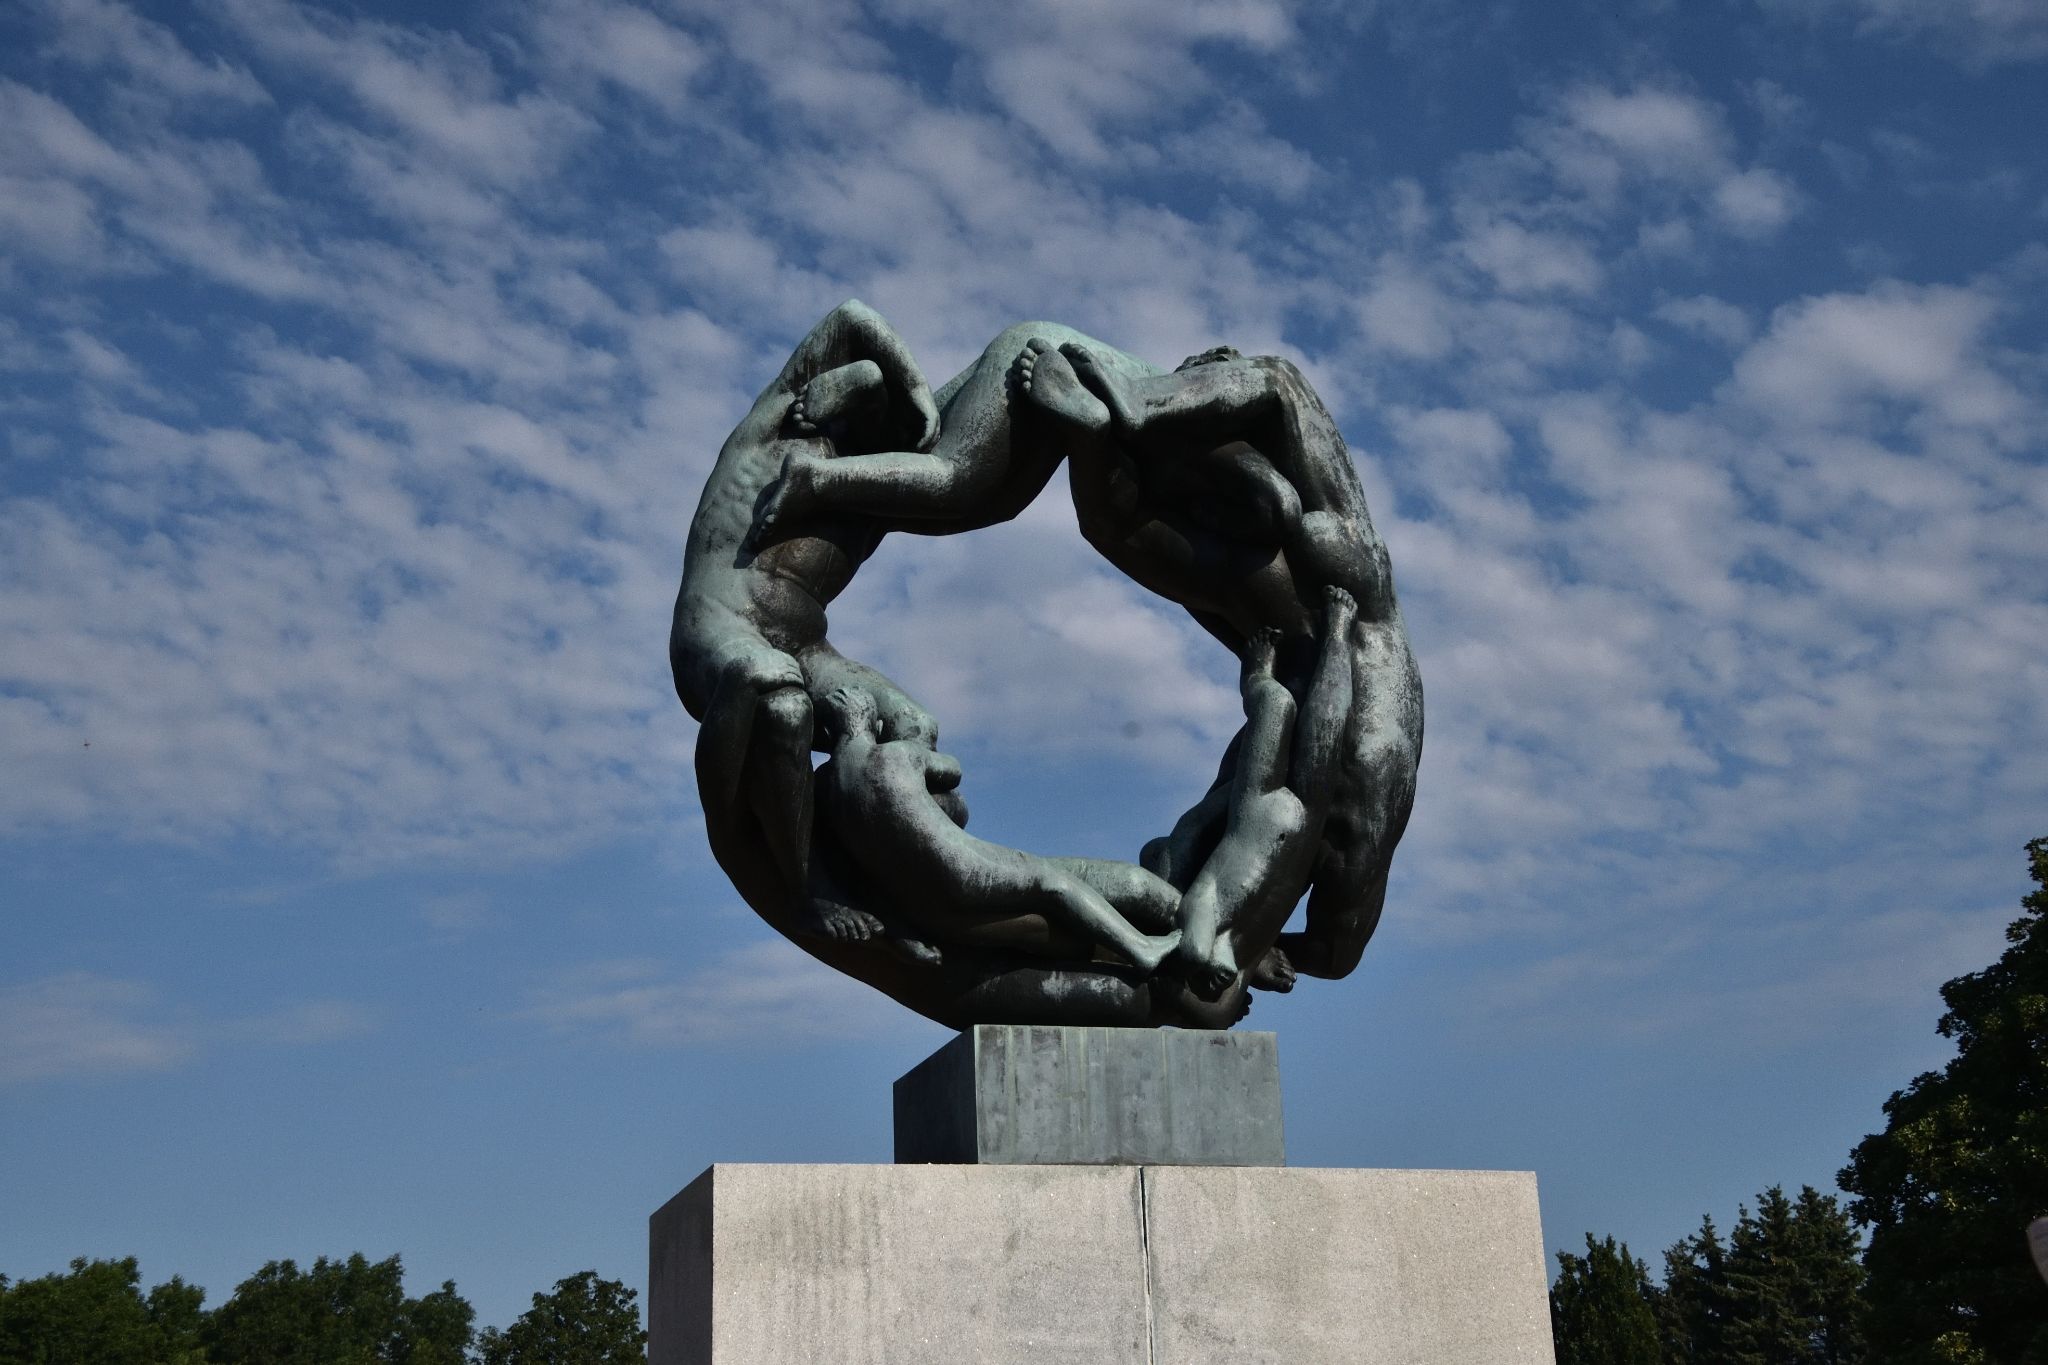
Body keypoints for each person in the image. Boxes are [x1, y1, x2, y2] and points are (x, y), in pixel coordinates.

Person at [814, 684, 1184, 974]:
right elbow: (951, 770)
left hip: (922, 892)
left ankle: (1138, 945)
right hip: (962, 866)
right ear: (870, 721)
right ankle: (1141, 948)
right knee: (1052, 883)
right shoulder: (893, 756)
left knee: (1050, 885)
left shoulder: (825, 786)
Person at [1170, 589, 1356, 998]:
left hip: (1260, 806)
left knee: (1275, 702)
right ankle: (1338, 633)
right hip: (1300, 826)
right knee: (1329, 730)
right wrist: (1226, 960)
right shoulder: (1248, 948)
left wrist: (1201, 954)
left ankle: (1254, 675)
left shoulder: (1193, 905)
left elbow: (1194, 924)